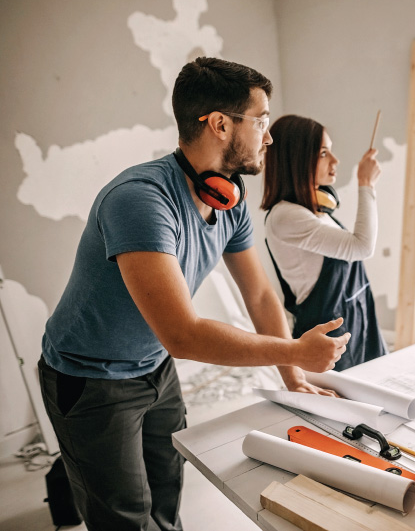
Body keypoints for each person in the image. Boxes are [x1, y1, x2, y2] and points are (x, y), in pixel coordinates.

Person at [38, 58, 351, 531]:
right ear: (221, 125)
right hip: (90, 379)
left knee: (167, 487)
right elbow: (184, 335)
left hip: (155, 369)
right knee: (124, 514)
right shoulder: (140, 200)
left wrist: (292, 373)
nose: (269, 136)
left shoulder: (231, 199)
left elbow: (262, 296)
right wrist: (296, 349)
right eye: (261, 121)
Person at [261, 114, 388, 371]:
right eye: (323, 153)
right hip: (327, 335)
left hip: (359, 319)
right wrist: (366, 184)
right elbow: (361, 246)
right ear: (296, 159)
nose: (335, 160)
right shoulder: (286, 216)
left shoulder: (315, 211)